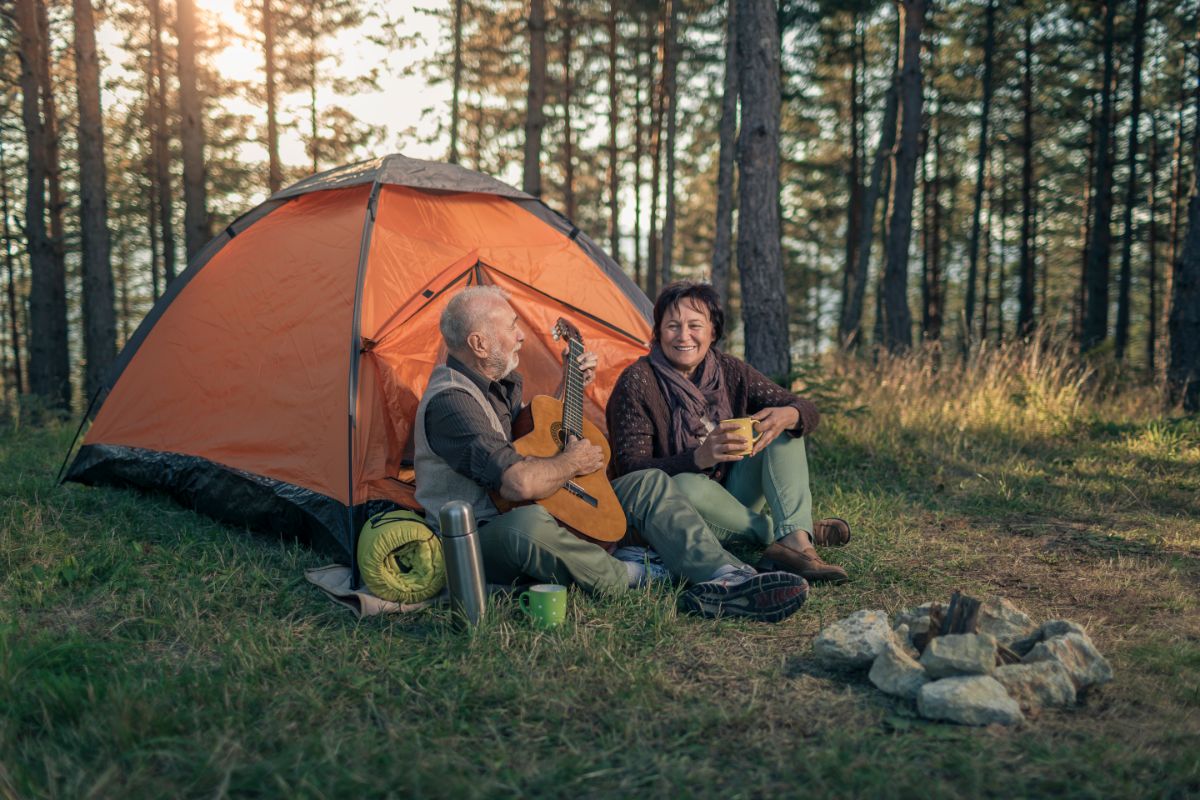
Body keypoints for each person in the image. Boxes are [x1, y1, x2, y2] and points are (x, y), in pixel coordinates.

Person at [413, 285, 809, 622]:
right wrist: (573, 462)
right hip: (483, 533)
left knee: (647, 483)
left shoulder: (497, 385)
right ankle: (636, 574)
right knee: (530, 526)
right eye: (512, 327)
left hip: (533, 503)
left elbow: (529, 443)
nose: (520, 337)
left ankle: (726, 575)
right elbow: (516, 482)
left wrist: (568, 387)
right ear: (479, 343)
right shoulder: (453, 402)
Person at [606, 280, 851, 584]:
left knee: (783, 429)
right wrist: (698, 458)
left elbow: (805, 409)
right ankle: (786, 533)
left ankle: (797, 544)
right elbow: (632, 472)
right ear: (657, 332)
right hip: (676, 515)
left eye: (695, 325)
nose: (684, 336)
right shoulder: (637, 382)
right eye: (672, 326)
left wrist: (791, 413)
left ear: (713, 331)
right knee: (684, 485)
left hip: (731, 500)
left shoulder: (730, 370)